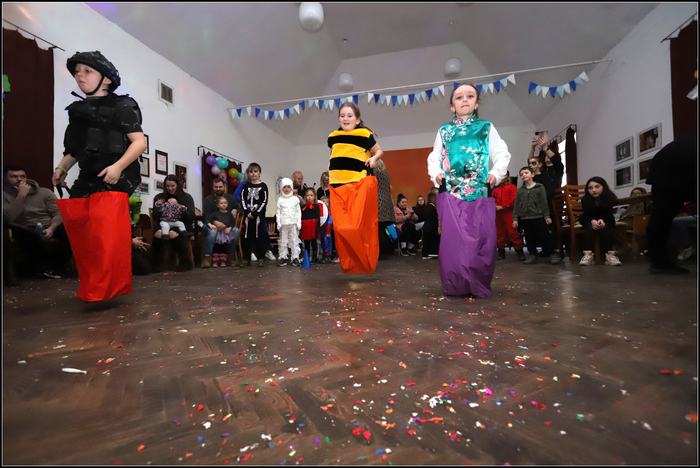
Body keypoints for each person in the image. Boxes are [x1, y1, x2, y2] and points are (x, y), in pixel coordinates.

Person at [51, 51, 147, 301]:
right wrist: (62, 169)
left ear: (106, 79)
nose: (79, 75)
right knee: (82, 233)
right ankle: (93, 287)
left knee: (106, 235)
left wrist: (117, 167)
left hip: (115, 178)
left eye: (87, 71)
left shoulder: (123, 105)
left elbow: (139, 143)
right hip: (87, 177)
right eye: (76, 72)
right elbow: (74, 150)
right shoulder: (77, 111)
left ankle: (108, 288)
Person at [426, 83, 511, 297]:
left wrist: (496, 173)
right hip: (451, 194)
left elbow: (502, 154)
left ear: (476, 103)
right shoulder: (444, 131)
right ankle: (455, 283)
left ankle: (477, 283)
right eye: (459, 97)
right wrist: (436, 173)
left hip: (479, 192)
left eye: (470, 96)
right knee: (454, 242)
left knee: (480, 239)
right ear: (452, 106)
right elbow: (434, 158)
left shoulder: (486, 128)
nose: (464, 99)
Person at [327, 101, 383, 274]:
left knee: (355, 226)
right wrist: (330, 165)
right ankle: (350, 260)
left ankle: (364, 260)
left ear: (357, 119)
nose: (345, 118)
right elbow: (334, 154)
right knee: (339, 228)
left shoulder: (364, 134)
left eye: (349, 115)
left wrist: (373, 159)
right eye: (342, 115)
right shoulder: (333, 136)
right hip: (337, 186)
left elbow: (379, 150)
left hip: (357, 184)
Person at [3, 165, 72, 280]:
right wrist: (21, 196)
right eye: (14, 177)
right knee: (24, 234)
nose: (19, 179)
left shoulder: (45, 192)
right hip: (23, 227)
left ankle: (54, 266)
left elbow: (58, 213)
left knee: (72, 232)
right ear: (5, 179)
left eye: (22, 176)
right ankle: (44, 267)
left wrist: (51, 228)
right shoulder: (4, 196)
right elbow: (7, 218)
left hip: (48, 224)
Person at [645, 133, 697, 274]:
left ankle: (659, 262)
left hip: (665, 164)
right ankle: (660, 262)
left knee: (661, 217)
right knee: (661, 217)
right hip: (678, 164)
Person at [512, 166, 558, 265]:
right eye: (521, 174)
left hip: (538, 216)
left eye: (526, 173)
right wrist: (515, 218)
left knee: (544, 236)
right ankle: (533, 255)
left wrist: (546, 216)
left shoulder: (540, 187)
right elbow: (517, 205)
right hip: (525, 217)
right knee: (529, 237)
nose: (523, 175)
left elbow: (544, 203)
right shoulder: (520, 191)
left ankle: (552, 254)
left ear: (532, 174)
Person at [150, 175, 195, 272]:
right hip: (164, 224)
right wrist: (159, 207)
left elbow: (191, 217)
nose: (170, 188)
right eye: (167, 186)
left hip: (182, 225)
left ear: (178, 185)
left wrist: (181, 209)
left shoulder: (186, 197)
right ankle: (155, 263)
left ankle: (185, 261)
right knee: (158, 233)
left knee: (171, 233)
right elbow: (155, 216)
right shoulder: (159, 197)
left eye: (172, 186)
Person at [578, 176, 621, 266]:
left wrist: (602, 220)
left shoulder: (609, 197)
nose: (594, 190)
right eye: (590, 188)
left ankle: (609, 254)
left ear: (603, 187)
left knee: (605, 227)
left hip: (606, 218)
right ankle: (588, 254)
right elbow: (587, 214)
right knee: (590, 227)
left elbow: (608, 214)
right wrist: (592, 221)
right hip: (589, 219)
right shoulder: (585, 199)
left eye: (597, 187)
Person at [201, 178, 240, 268]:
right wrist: (215, 223)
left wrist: (236, 209)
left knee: (236, 231)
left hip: (227, 225)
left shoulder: (231, 198)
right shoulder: (208, 200)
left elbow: (240, 208)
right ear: (213, 187)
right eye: (216, 187)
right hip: (211, 224)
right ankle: (207, 256)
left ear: (224, 187)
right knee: (213, 231)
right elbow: (207, 217)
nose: (218, 189)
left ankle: (230, 256)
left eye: (220, 187)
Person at [239, 162, 269, 267]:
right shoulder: (245, 186)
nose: (253, 174)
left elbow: (264, 201)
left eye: (255, 171)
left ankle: (261, 258)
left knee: (259, 236)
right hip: (247, 216)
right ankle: (246, 258)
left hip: (259, 216)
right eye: (251, 172)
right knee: (247, 236)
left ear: (260, 173)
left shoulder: (263, 186)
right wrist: (246, 212)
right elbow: (243, 199)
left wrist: (256, 213)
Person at [491, 171, 525, 261]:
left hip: (509, 213)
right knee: (499, 234)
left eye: (504, 175)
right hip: (498, 214)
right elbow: (492, 201)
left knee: (513, 232)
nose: (502, 177)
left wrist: (503, 206)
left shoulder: (512, 187)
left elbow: (514, 199)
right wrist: (495, 206)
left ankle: (520, 252)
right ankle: (501, 253)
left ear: (508, 176)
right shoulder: (495, 190)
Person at [276, 178, 302, 267]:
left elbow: (298, 211)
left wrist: (299, 222)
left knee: (294, 240)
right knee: (283, 241)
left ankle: (295, 257)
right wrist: (278, 223)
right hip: (284, 224)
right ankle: (283, 257)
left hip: (293, 224)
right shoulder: (280, 200)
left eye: (288, 187)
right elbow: (278, 212)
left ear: (291, 188)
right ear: (281, 188)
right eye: (284, 187)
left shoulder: (295, 199)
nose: (286, 189)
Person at [375, 159, 396, 259]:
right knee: (383, 228)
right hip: (386, 202)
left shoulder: (374, 174)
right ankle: (386, 252)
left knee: (378, 229)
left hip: (378, 202)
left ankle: (380, 253)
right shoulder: (385, 174)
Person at [207, 197, 236, 267]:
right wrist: (211, 225)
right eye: (221, 203)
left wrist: (229, 228)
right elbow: (209, 219)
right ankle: (215, 261)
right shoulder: (215, 213)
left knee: (224, 246)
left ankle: (223, 260)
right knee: (217, 246)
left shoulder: (229, 214)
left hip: (226, 233)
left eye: (225, 203)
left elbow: (232, 223)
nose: (223, 205)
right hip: (218, 233)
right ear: (217, 205)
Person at [300, 188, 322, 263]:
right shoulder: (303, 207)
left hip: (313, 225)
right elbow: (302, 217)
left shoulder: (316, 206)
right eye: (308, 195)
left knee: (313, 242)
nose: (309, 197)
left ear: (314, 197)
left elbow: (318, 218)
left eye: (311, 195)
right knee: (306, 242)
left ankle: (315, 257)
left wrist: (317, 229)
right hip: (305, 226)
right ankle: (307, 256)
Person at [421, 192, 440, 260]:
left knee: (426, 241)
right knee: (429, 240)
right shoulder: (432, 208)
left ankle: (426, 253)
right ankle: (429, 252)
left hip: (427, 227)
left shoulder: (428, 207)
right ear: (434, 200)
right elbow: (433, 220)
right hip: (430, 228)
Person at [318, 195, 334, 263]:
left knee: (327, 242)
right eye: (323, 201)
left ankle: (328, 255)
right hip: (322, 230)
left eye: (327, 202)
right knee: (323, 242)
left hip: (327, 230)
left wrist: (328, 231)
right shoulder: (320, 212)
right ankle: (324, 254)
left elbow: (330, 222)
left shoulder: (329, 212)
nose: (325, 203)